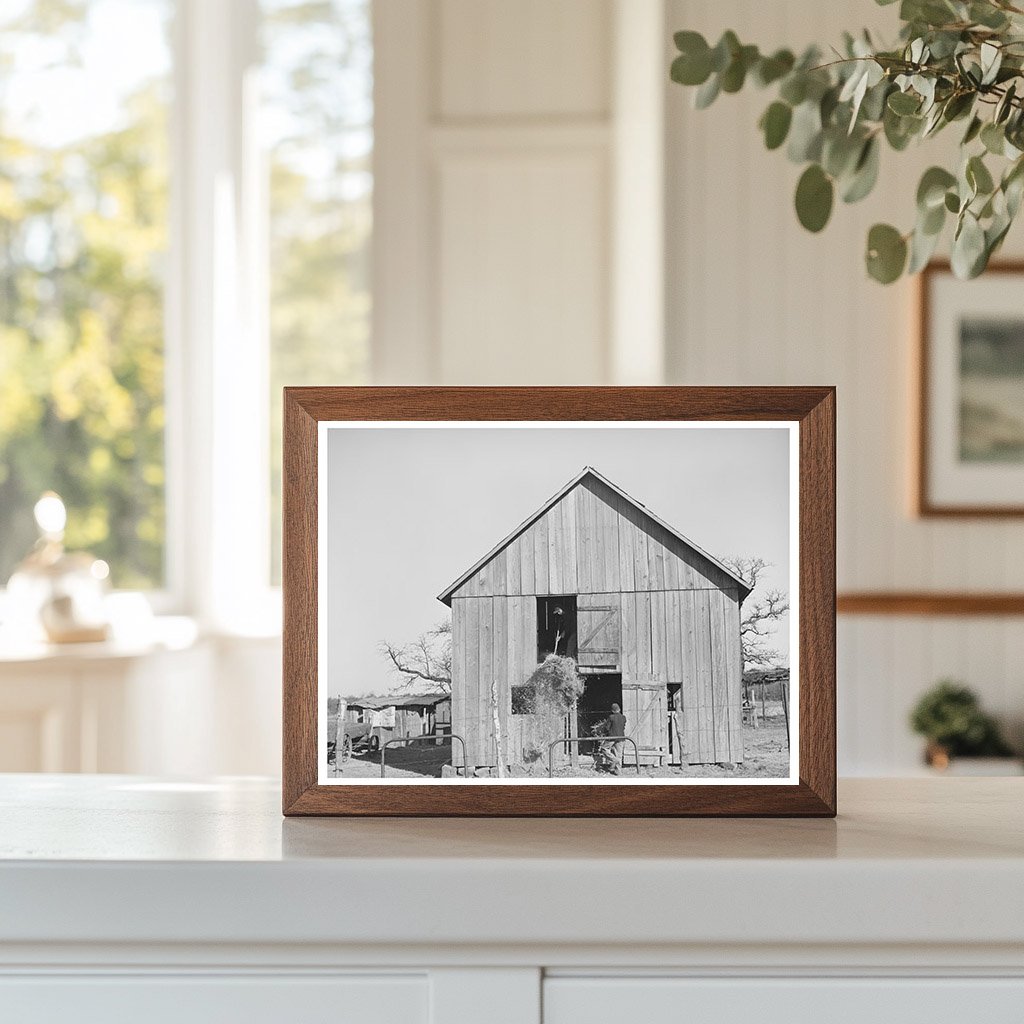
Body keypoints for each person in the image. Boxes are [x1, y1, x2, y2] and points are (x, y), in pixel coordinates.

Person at [606, 702, 627, 775]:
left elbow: (607, 728)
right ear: (619, 709)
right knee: (619, 754)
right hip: (621, 737)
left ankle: (614, 760)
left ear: (612, 711)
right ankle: (618, 771)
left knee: (604, 749)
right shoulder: (623, 717)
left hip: (612, 737)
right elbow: (623, 727)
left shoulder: (611, 717)